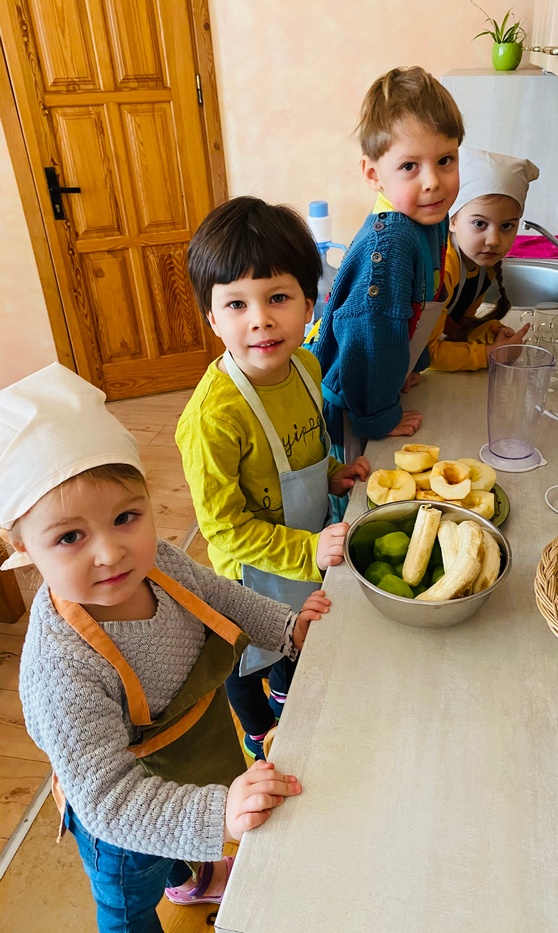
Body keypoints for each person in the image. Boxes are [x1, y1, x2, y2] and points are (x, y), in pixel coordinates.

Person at [3, 363, 331, 932]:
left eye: (126, 517)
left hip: (195, 755)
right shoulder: (62, 670)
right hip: (124, 820)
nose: (111, 553)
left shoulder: (160, 564)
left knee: (180, 849)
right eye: (70, 536)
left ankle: (188, 876)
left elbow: (220, 595)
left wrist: (286, 628)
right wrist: (218, 814)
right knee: (129, 907)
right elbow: (109, 800)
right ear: (22, 547)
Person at [176, 197, 369, 760]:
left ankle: (289, 701)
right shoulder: (214, 419)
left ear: (310, 303)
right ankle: (258, 730)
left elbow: (307, 445)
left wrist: (334, 474)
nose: (260, 319)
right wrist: (308, 550)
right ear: (213, 318)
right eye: (237, 303)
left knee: (296, 639)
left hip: (306, 552)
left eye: (278, 298)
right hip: (249, 578)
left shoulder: (306, 367)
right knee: (245, 659)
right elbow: (225, 530)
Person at [309, 66, 464, 460]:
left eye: (445, 160)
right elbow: (370, 335)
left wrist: (409, 367)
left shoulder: (430, 217)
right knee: (350, 477)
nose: (432, 181)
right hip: (349, 399)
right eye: (410, 166)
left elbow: (419, 306)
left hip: (378, 383)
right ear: (373, 174)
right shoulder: (391, 244)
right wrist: (379, 417)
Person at [427, 147, 537, 372]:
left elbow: (456, 325)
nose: (493, 240)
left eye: (507, 226)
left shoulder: (484, 266)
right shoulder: (443, 269)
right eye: (479, 224)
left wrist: (487, 331)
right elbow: (427, 354)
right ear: (452, 220)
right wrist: (489, 355)